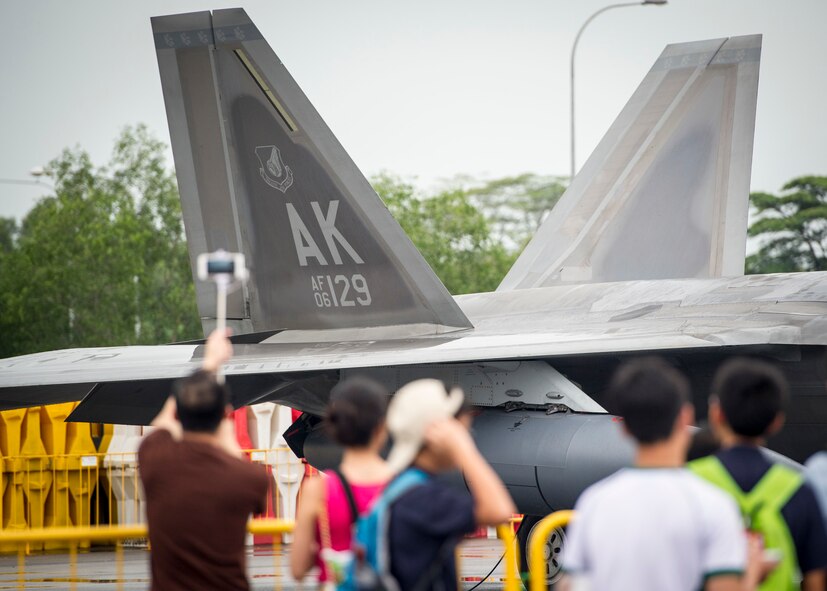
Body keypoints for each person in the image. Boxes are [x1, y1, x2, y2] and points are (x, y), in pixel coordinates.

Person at [560, 357, 757, 591]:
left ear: (624, 428)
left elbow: (570, 586)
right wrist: (753, 572)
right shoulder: (714, 505)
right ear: (685, 417)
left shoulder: (594, 503)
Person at [138, 329, 270, 591]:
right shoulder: (250, 479)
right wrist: (228, 436)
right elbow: (237, 470)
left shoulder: (155, 458)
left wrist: (209, 362)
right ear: (227, 414)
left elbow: (164, 421)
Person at [692, 358, 827, 591]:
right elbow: (816, 582)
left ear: (717, 414)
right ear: (776, 422)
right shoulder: (799, 489)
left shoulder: (688, 483)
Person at [383, 379, 516, 591]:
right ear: (438, 432)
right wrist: (465, 451)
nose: (467, 436)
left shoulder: (401, 487)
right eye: (462, 431)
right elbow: (499, 509)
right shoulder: (424, 498)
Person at [290, 377, 393, 584]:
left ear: (334, 428)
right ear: (382, 427)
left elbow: (298, 568)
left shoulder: (317, 490)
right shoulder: (405, 485)